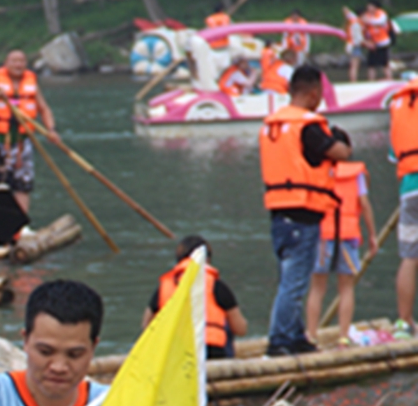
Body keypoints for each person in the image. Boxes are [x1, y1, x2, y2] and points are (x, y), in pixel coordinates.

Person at [259, 66, 352, 357]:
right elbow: (340, 153)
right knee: (294, 281)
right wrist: (340, 137)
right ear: (313, 93)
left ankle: (296, 334)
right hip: (302, 213)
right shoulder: (308, 126)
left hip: (279, 212)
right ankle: (280, 340)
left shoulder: (273, 125)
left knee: (291, 277)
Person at [143, 236, 248, 359]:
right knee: (224, 322)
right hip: (211, 352)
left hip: (173, 354)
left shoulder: (165, 286)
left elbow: (147, 326)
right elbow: (240, 329)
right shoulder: (216, 285)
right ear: (207, 260)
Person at [306, 161, 375, 343]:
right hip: (348, 236)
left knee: (317, 289)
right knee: (346, 288)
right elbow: (364, 204)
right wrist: (372, 236)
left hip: (322, 237)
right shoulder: (356, 174)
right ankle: (343, 337)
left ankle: (311, 335)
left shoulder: (317, 170)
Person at [0, 49, 56, 216]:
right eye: (14, 61)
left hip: (22, 140)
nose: (18, 65)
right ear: (6, 63)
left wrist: (50, 130)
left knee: (23, 183)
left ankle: (21, 223)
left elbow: (44, 109)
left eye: (21, 61)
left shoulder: (31, 83)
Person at [390, 77, 418, 337]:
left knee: (409, 257)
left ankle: (404, 322)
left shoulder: (399, 102)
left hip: (409, 186)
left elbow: (393, 155)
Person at [360, 0, 393, 82]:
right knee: (371, 63)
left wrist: (368, 21)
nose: (369, 8)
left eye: (370, 6)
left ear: (375, 7)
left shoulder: (381, 13)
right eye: (368, 6)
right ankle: (371, 80)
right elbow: (362, 24)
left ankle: (389, 78)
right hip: (372, 42)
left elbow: (380, 22)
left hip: (382, 42)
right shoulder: (367, 15)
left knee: (384, 62)